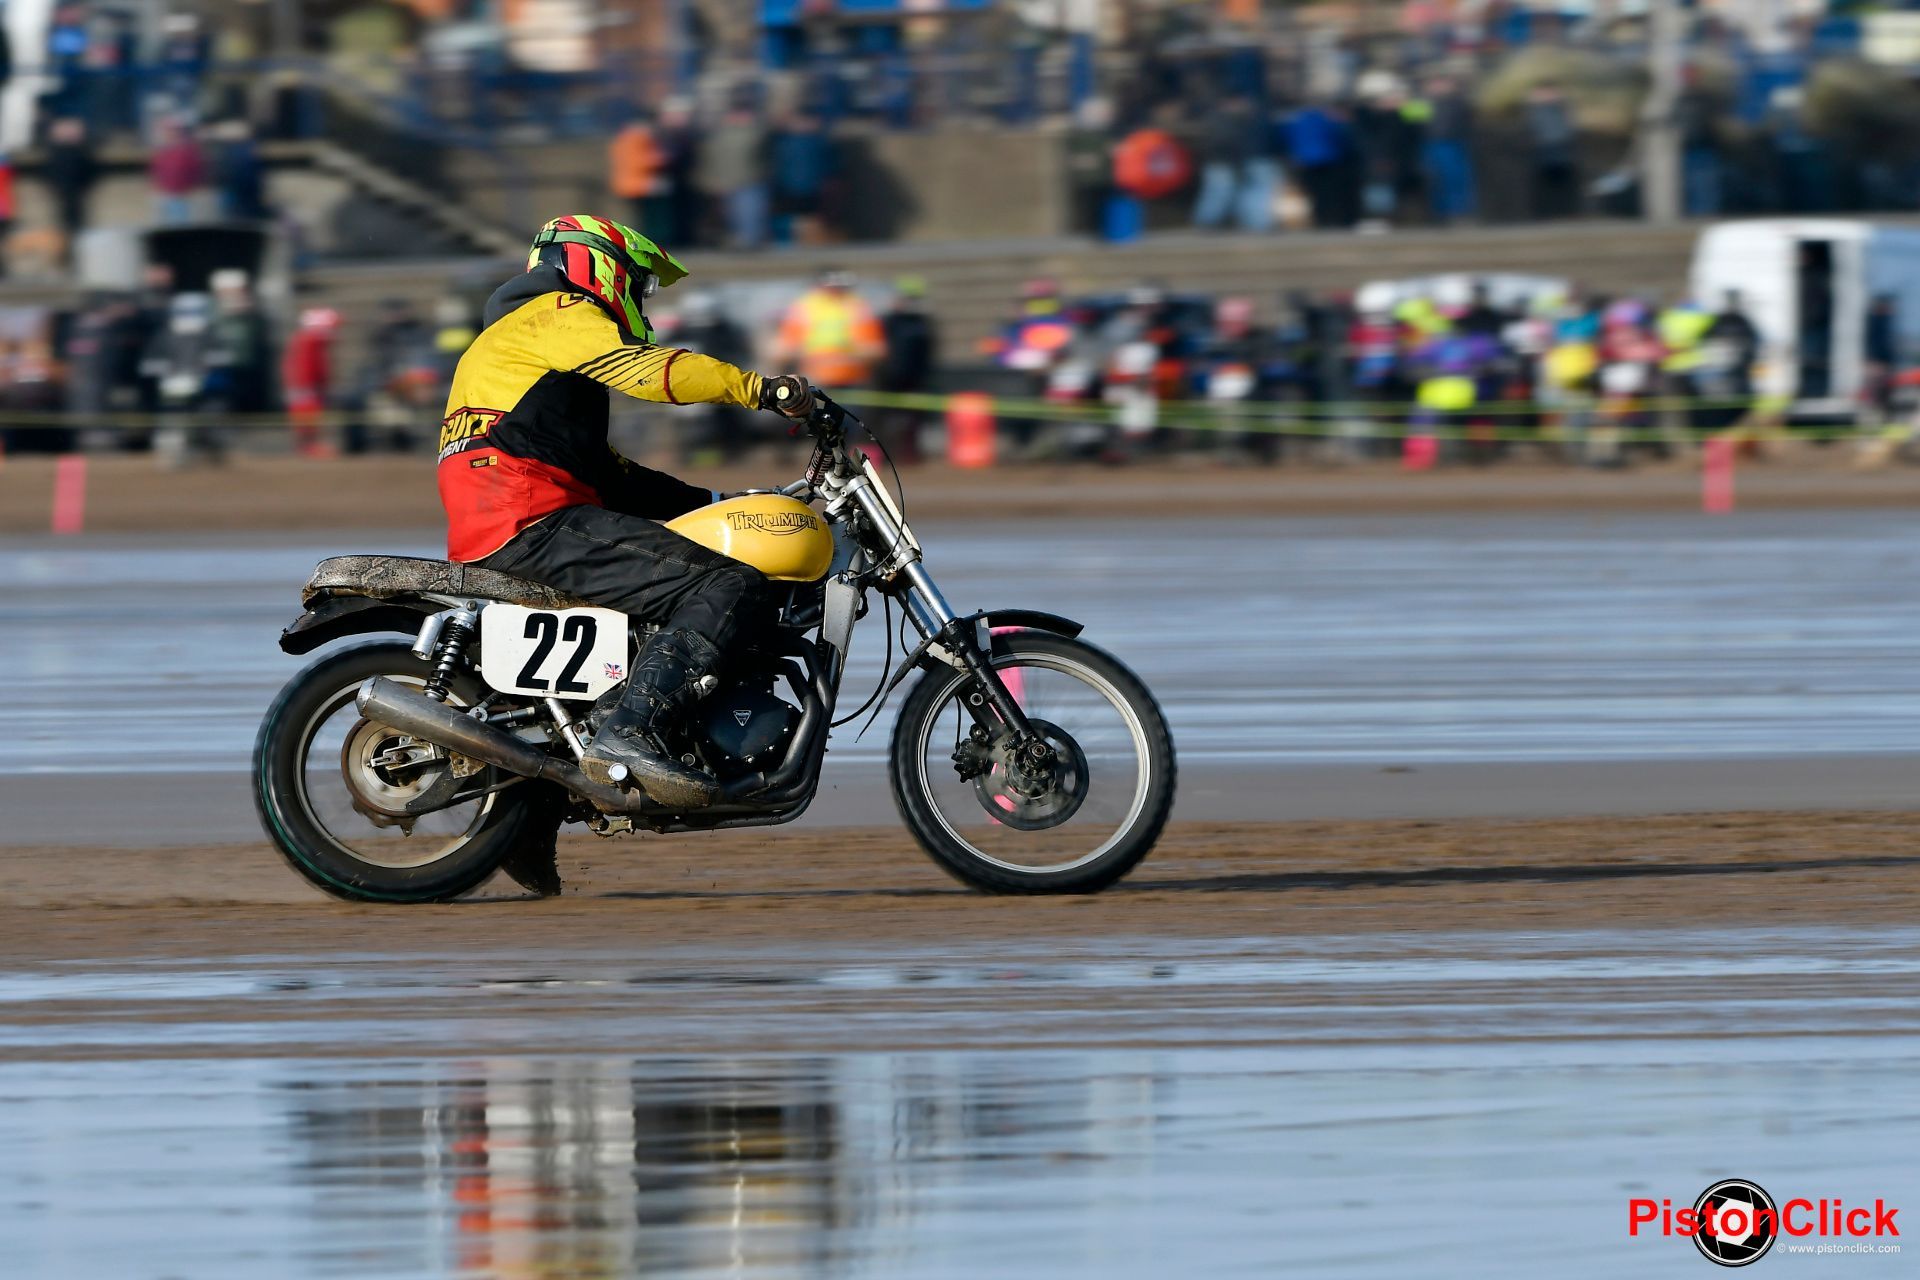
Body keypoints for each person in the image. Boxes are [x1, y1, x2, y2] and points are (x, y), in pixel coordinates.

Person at [439, 214, 814, 808]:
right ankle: (631, 732)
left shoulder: (527, 341)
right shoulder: (557, 313)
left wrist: (717, 504)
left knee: (695, 568)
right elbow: (648, 371)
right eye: (638, 283)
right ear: (596, 265)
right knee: (727, 584)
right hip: (529, 518)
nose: (640, 299)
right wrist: (761, 390)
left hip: (517, 515)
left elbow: (612, 476)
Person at [773, 268, 884, 389]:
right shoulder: (803, 308)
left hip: (853, 378)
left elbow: (876, 350)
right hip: (814, 380)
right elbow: (782, 351)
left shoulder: (858, 307)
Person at [876, 276, 938, 461]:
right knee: (887, 418)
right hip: (889, 378)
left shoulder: (923, 324)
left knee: (912, 419)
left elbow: (927, 354)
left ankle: (909, 453)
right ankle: (888, 453)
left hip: (915, 379)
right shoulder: (888, 322)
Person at [45, 118, 97, 260]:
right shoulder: (58, 153)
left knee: (76, 225)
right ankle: (67, 254)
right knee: (66, 226)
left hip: (74, 193)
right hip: (65, 193)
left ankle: (77, 254)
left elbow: (90, 171)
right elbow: (49, 173)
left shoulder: (78, 152)